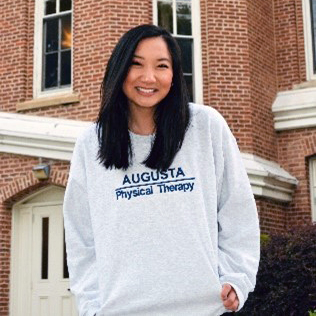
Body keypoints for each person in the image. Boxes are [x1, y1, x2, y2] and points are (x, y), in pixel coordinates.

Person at [63, 24, 260, 316]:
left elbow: (237, 211)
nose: (149, 77)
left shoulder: (205, 127)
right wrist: (92, 305)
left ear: (174, 74)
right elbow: (81, 237)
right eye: (136, 65)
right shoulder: (91, 143)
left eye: (162, 66)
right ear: (119, 70)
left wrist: (236, 278)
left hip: (206, 309)